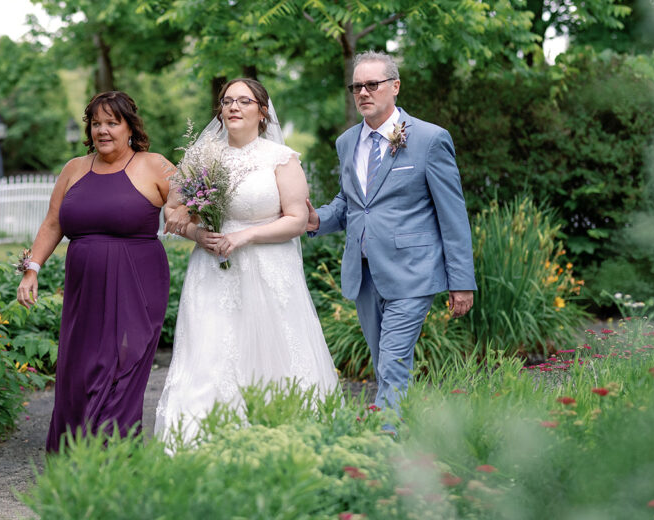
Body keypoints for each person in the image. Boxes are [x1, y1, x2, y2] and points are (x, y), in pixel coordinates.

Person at [155, 78, 340, 446]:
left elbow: (297, 219)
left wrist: (244, 236)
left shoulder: (280, 159)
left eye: (244, 101)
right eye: (227, 101)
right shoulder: (201, 157)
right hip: (212, 272)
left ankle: (283, 438)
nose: (234, 107)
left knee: (274, 352)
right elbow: (172, 212)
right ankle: (199, 442)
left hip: (270, 269)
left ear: (262, 111)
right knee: (211, 353)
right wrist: (196, 234)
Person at [307, 51, 476, 422]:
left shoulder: (430, 140)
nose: (363, 92)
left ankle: (386, 442)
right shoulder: (346, 142)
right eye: (357, 86)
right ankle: (405, 428)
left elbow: (453, 215)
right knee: (383, 360)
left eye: (372, 84)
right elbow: (351, 204)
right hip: (364, 273)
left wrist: (461, 281)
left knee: (393, 360)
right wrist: (315, 218)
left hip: (413, 272)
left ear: (395, 86)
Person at [17, 91, 173, 452]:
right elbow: (53, 222)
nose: (103, 130)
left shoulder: (155, 165)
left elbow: (186, 207)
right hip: (85, 287)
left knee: (122, 364)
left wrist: (186, 217)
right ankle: (75, 453)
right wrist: (32, 269)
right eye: (96, 123)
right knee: (81, 365)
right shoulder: (75, 168)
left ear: (130, 127)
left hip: (138, 281)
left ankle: (112, 455)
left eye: (112, 123)